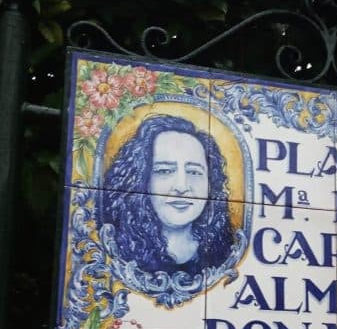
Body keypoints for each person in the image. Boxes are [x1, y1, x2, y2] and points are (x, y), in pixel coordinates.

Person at [101, 114, 236, 276]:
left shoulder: (226, 251)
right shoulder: (116, 248)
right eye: (164, 171)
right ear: (141, 179)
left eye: (194, 171)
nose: (181, 186)